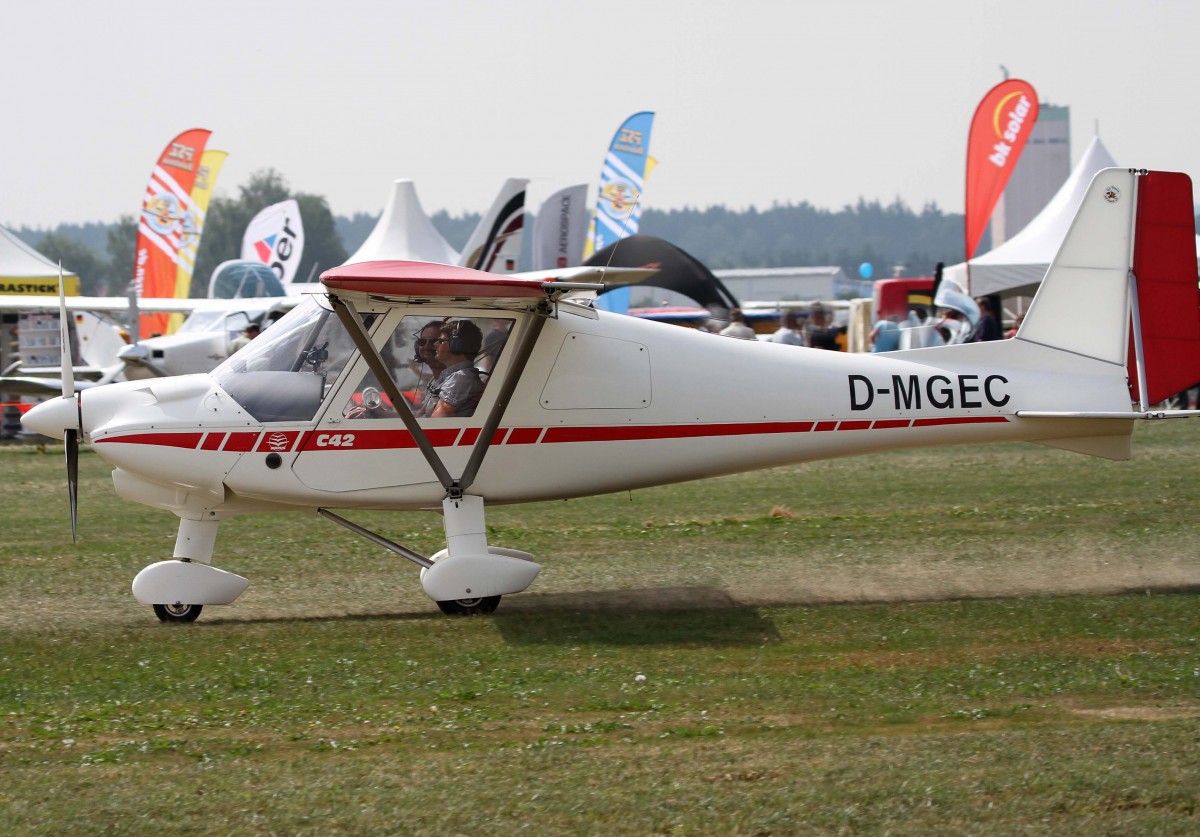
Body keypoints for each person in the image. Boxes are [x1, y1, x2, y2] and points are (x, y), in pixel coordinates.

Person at [421, 320, 485, 418]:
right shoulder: (449, 377)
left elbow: (437, 420)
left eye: (441, 341)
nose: (435, 344)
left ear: (457, 345)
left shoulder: (461, 378)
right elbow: (421, 415)